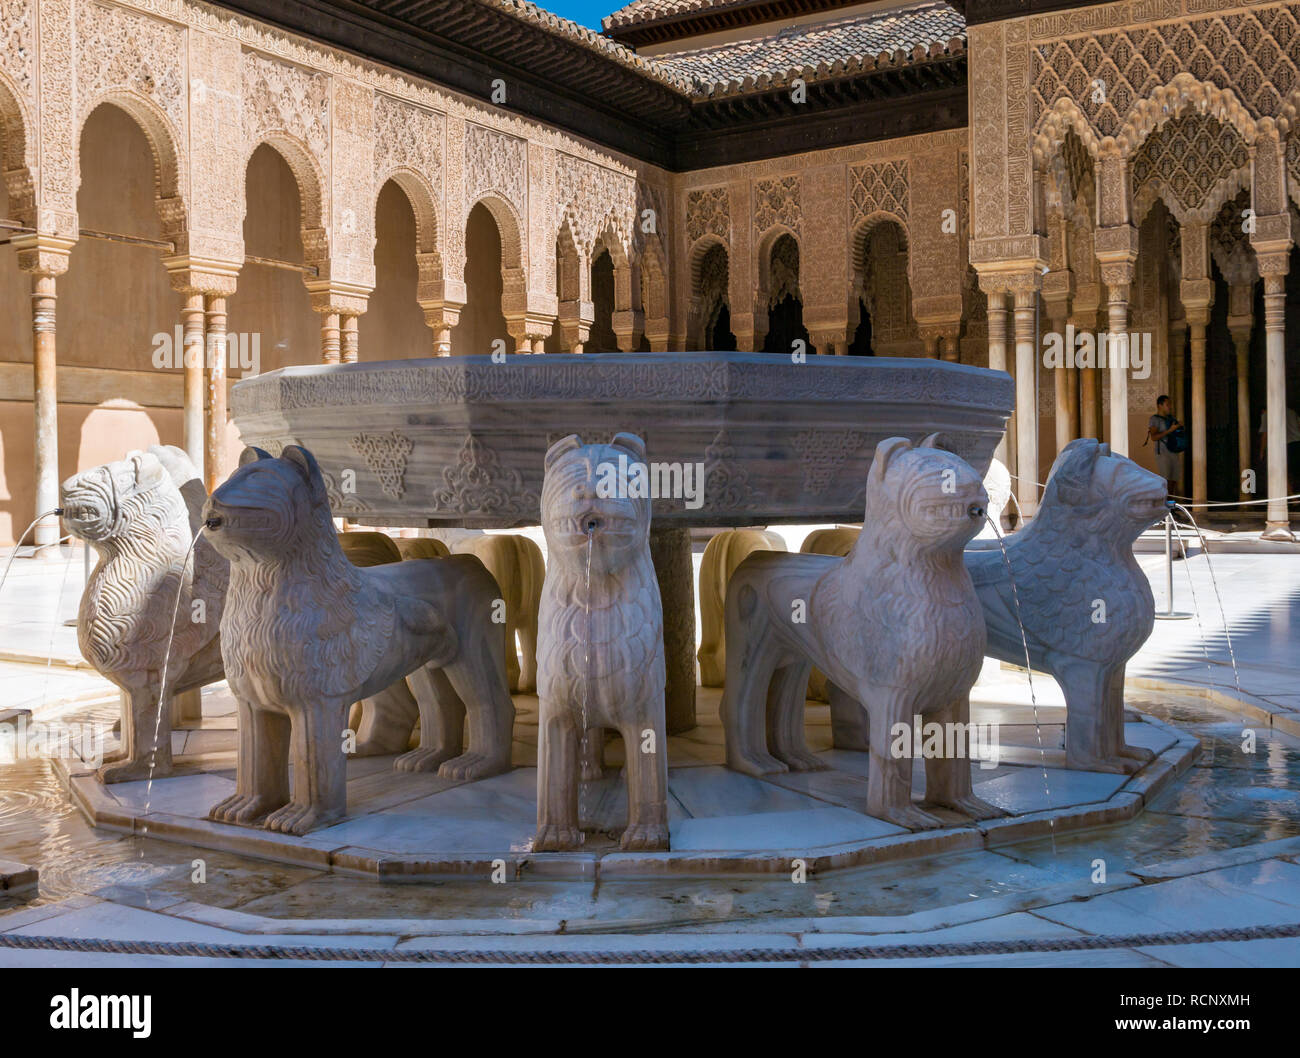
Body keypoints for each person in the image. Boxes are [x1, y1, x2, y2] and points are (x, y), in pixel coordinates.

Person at [1257, 404, 1300, 494]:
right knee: (1292, 471)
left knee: (1281, 472)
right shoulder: (1292, 412)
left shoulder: (1268, 414)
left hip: (1283, 446)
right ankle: (1292, 496)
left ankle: (1293, 497)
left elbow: (1265, 434)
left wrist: (1261, 451)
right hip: (1297, 443)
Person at [1148, 395, 1182, 493]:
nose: (1170, 407)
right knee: (1165, 480)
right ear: (1160, 405)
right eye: (1167, 404)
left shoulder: (1171, 418)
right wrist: (1169, 430)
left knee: (1173, 480)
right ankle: (1165, 505)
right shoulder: (1154, 419)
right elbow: (1153, 437)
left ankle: (1171, 505)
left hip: (1173, 451)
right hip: (1162, 453)